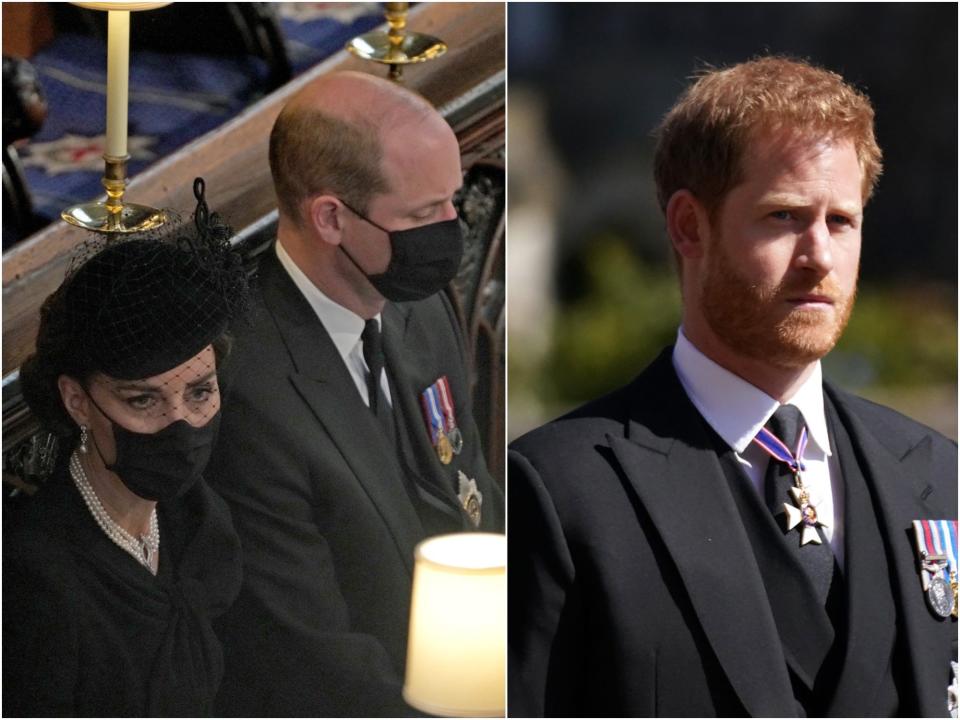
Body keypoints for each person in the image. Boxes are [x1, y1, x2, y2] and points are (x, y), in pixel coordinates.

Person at [508, 57, 957, 718]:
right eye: (784, 217)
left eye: (841, 222)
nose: (820, 257)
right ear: (690, 226)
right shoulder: (560, 491)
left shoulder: (938, 474)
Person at [206, 71, 504, 717]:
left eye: (453, 202)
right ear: (332, 217)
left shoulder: (417, 303)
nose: (452, 231)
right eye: (426, 214)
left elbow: (470, 486)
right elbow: (307, 649)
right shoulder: (249, 392)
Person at [2, 180, 249, 716]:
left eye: (200, 391)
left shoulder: (199, 519)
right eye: (143, 400)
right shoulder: (36, 581)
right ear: (77, 401)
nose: (179, 423)